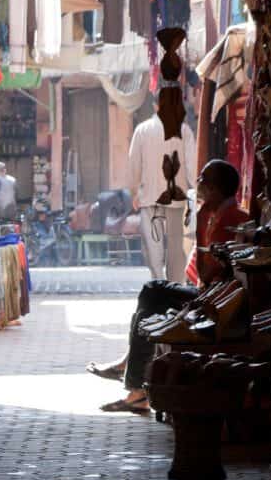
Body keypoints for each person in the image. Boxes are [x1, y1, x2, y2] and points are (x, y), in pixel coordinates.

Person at [90, 159, 249, 414]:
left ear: (216, 190)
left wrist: (199, 224)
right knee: (148, 305)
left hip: (214, 300)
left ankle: (133, 382)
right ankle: (134, 382)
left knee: (152, 293)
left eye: (203, 181)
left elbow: (207, 273)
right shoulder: (220, 214)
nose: (198, 185)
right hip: (209, 293)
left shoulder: (229, 219)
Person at [128, 102, 196, 284]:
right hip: (176, 198)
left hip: (149, 198)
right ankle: (176, 287)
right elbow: (192, 167)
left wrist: (134, 192)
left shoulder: (142, 130)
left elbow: (134, 165)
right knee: (176, 245)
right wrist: (196, 191)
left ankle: (159, 283)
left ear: (155, 105)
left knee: (152, 245)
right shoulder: (184, 131)